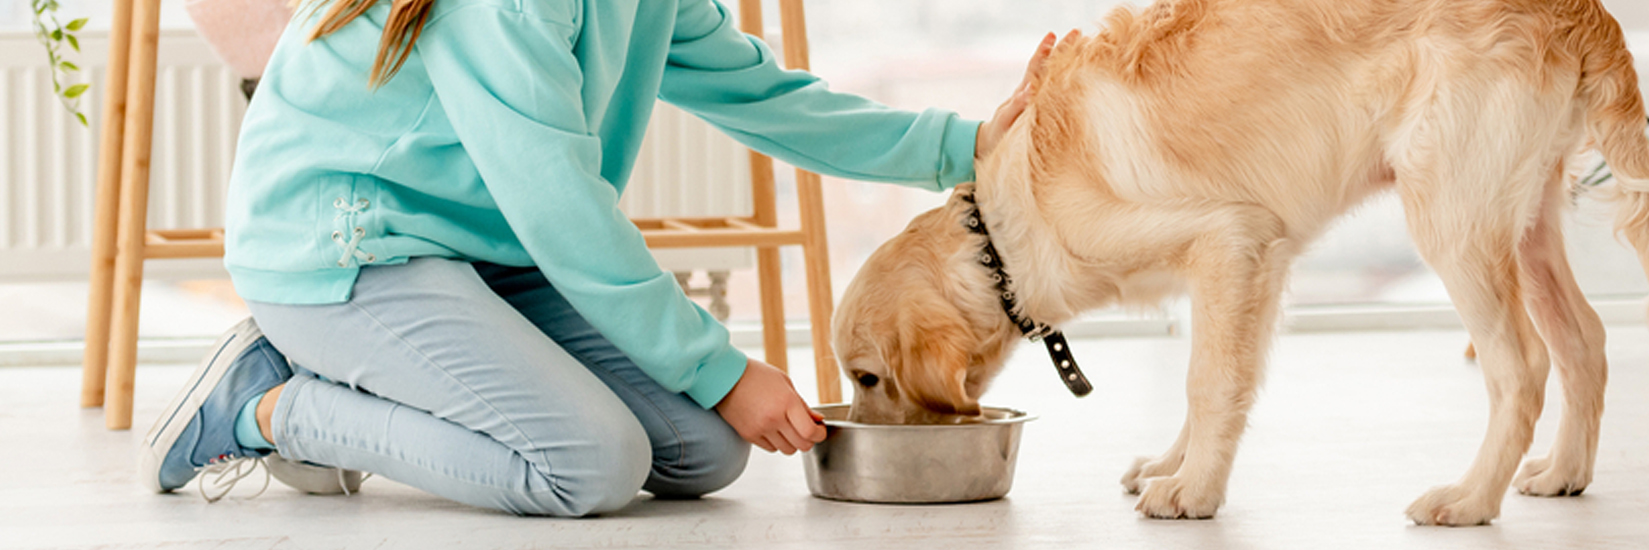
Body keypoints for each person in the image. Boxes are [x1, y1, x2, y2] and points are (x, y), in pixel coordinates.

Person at [138, 0, 1057, 516]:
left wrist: (968, 144)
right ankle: (265, 406)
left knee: (704, 452)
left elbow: (768, 98)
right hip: (347, 250)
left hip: (487, 258)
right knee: (587, 466)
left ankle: (368, 388)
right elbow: (560, 205)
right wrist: (719, 365)